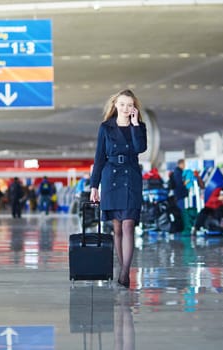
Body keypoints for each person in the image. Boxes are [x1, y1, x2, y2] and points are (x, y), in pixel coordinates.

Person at [89, 89, 147, 288]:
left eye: (129, 105)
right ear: (115, 105)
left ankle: (124, 273)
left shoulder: (139, 127)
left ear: (134, 108)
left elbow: (140, 148)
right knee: (117, 228)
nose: (125, 108)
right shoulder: (105, 127)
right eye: (122, 104)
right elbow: (99, 158)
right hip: (111, 176)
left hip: (131, 176)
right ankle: (122, 268)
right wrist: (93, 186)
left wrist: (135, 125)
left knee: (128, 224)